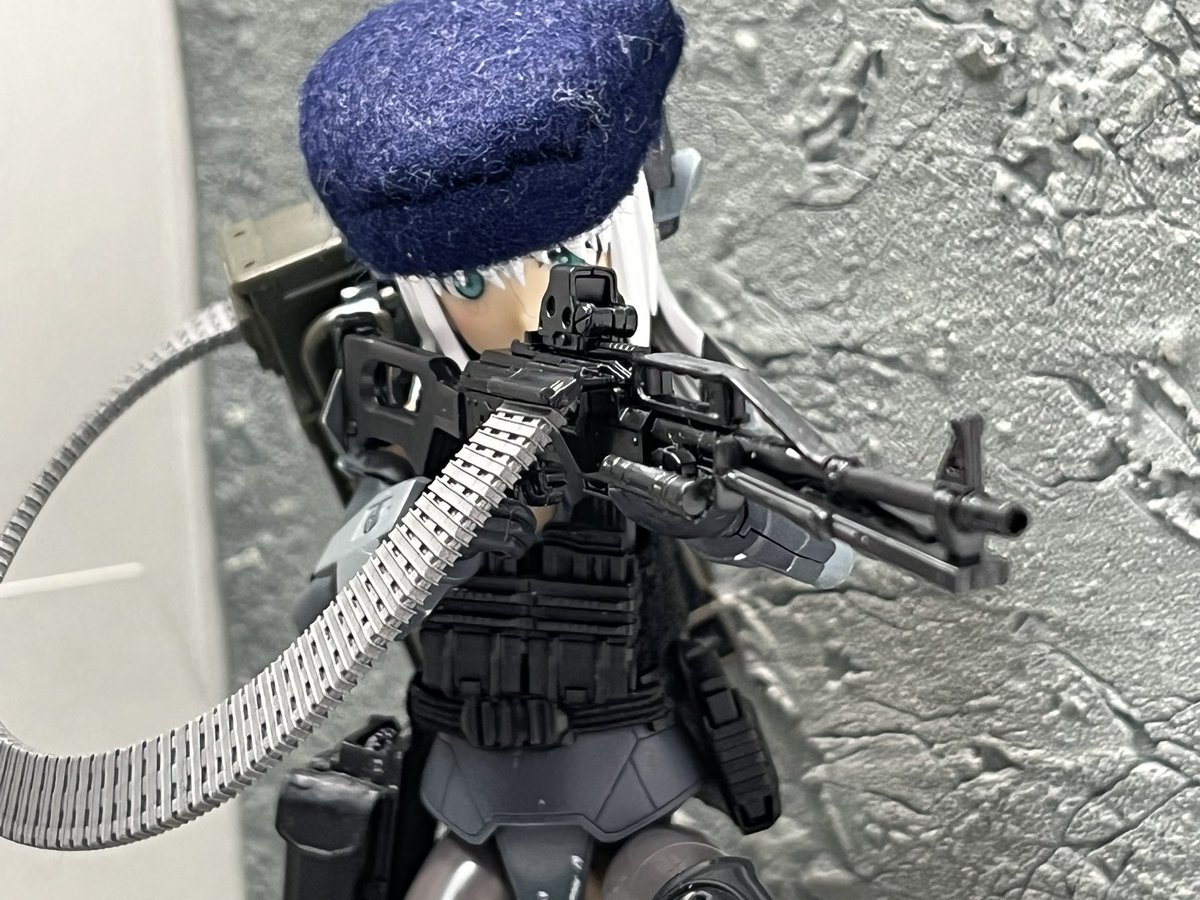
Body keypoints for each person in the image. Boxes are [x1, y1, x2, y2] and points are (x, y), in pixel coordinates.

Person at [292, 2, 851, 897]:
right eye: (469, 281)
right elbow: (322, 615)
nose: (527, 314)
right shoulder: (420, 405)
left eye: (570, 256)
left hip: (635, 777)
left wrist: (712, 511)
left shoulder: (670, 393)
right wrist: (434, 533)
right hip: (468, 793)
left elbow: (828, 551)